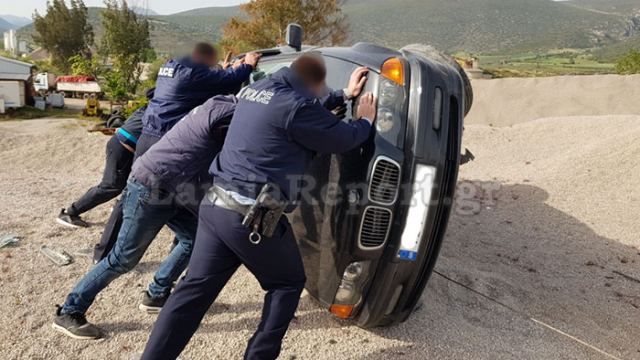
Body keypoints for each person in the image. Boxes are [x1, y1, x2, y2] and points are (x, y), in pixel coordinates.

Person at [140, 53, 376, 360]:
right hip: (250, 216)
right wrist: (366, 119)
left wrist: (344, 94)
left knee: (191, 294)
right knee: (287, 283)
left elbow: (300, 110)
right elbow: (344, 138)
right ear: (312, 82)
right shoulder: (296, 106)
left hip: (215, 208)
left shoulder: (259, 89)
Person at [52, 95, 239, 340]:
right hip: (151, 185)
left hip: (173, 186)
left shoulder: (221, 104)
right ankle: (70, 311)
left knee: (192, 238)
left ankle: (157, 294)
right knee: (123, 258)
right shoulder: (231, 118)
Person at [92, 43, 261, 262]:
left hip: (148, 137)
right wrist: (246, 66)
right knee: (189, 203)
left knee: (128, 196)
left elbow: (206, 81)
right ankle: (177, 260)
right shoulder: (194, 73)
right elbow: (227, 82)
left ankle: (103, 253)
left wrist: (222, 70)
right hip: (170, 143)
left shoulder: (171, 66)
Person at [56, 88, 154, 228]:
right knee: (111, 186)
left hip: (127, 147)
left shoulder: (153, 107)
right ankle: (69, 213)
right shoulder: (159, 111)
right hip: (122, 147)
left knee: (132, 183)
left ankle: (120, 208)